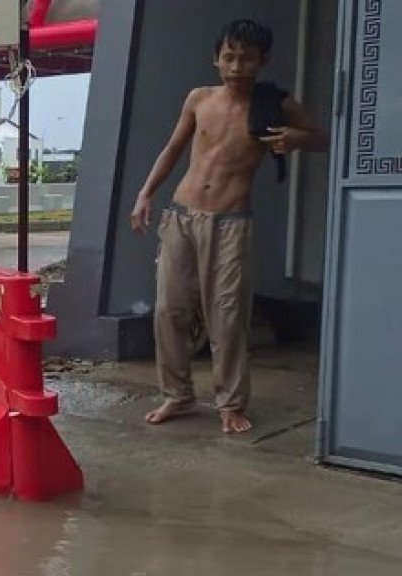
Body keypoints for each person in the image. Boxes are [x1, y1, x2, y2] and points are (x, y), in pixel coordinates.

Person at [131, 19, 326, 434]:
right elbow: (172, 148)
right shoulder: (199, 98)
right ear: (216, 58)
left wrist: (295, 138)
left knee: (228, 316)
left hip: (232, 222)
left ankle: (230, 403)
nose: (237, 66)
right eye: (229, 57)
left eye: (247, 58)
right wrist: (145, 193)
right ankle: (177, 395)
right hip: (182, 215)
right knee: (169, 310)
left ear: (262, 61)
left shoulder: (275, 104)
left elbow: (323, 136)